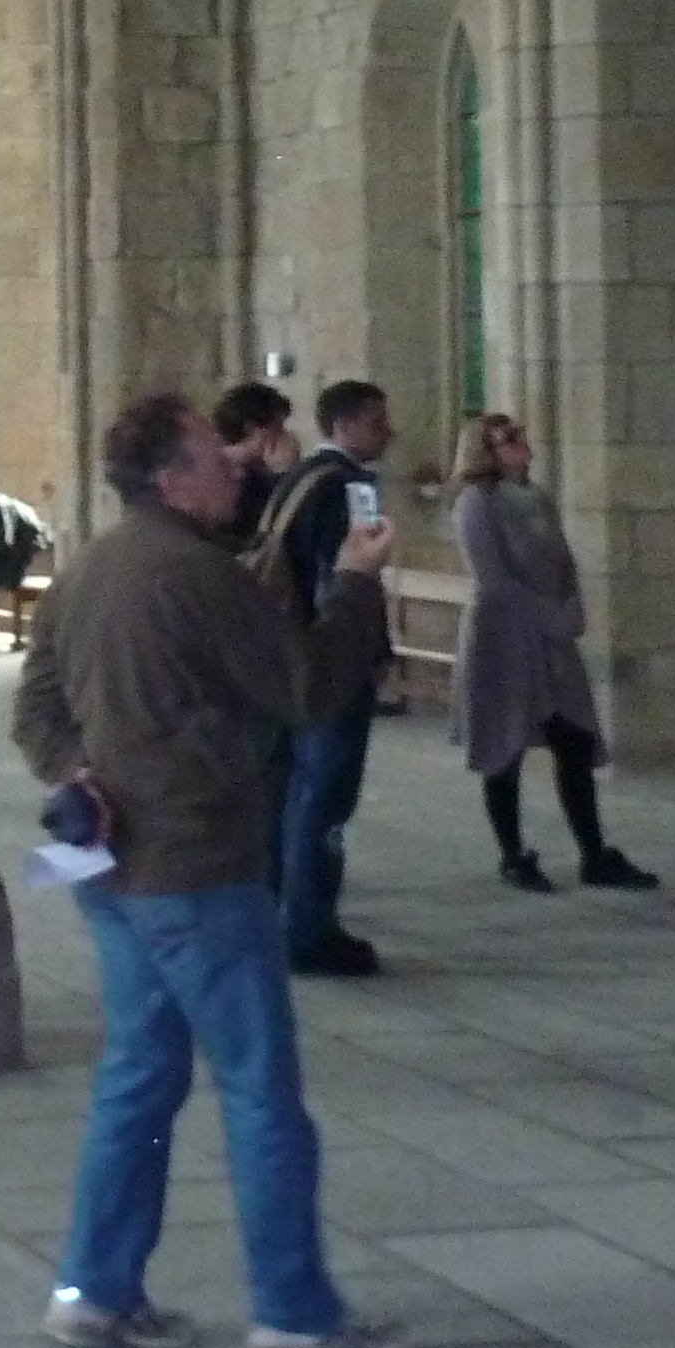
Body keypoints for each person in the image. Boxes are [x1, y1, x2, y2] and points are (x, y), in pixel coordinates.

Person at [15, 391, 408, 1348]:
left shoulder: (91, 567)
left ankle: (92, 1294)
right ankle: (294, 1312)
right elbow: (306, 688)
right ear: (170, 478)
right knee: (260, 1092)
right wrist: (357, 585)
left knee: (138, 1083)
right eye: (212, 456)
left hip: (108, 866)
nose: (235, 465)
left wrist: (79, 775)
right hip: (195, 869)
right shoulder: (196, 575)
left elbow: (34, 708)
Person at [451, 412, 659, 892]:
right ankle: (513, 854)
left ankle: (594, 853)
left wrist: (572, 609)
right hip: (503, 637)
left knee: (574, 737)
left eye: (520, 435)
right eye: (510, 439)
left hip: (551, 638)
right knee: (504, 744)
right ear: (487, 452)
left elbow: (564, 564)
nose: (523, 443)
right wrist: (549, 618)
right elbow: (493, 579)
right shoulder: (475, 505)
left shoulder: (538, 498)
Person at [253, 378, 394, 977]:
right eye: (378, 421)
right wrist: (360, 652)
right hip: (327, 663)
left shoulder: (299, 479)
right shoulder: (349, 488)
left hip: (283, 657)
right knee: (324, 797)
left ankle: (272, 911)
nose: (389, 433)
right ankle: (310, 930)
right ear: (347, 424)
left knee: (285, 792)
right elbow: (347, 578)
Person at [210, 381, 299, 553]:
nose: (285, 435)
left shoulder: (255, 469)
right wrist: (283, 474)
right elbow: (278, 529)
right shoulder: (234, 476)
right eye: (278, 427)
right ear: (253, 429)